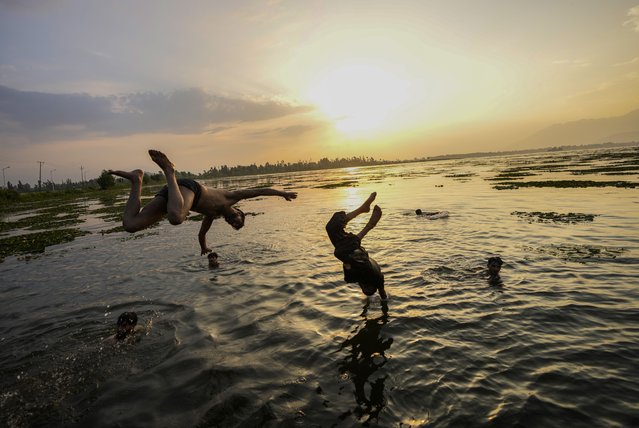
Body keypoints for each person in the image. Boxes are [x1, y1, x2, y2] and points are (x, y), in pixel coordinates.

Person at [109, 150, 297, 256]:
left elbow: (202, 234)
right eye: (237, 220)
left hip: (173, 194)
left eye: (232, 224)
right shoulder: (232, 197)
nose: (233, 221)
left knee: (130, 225)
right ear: (239, 211)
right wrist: (283, 193)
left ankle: (137, 180)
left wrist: (204, 247)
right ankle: (169, 170)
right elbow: (260, 191)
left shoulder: (211, 216)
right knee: (176, 217)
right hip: (192, 189)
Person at [326, 192, 387, 299]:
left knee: (331, 227)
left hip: (349, 253)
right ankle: (369, 225)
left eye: (364, 288)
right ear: (374, 286)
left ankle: (362, 209)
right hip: (361, 257)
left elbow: (346, 263)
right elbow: (383, 294)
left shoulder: (351, 278)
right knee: (339, 252)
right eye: (369, 287)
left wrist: (347, 264)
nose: (365, 286)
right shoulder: (376, 278)